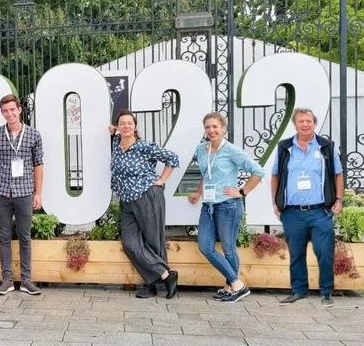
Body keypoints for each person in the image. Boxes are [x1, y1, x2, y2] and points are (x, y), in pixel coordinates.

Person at [188, 113, 265, 303]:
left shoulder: (231, 151)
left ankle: (233, 286)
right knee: (205, 246)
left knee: (228, 248)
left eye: (215, 126)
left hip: (228, 205)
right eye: (207, 127)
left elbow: (258, 171)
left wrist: (242, 191)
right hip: (209, 205)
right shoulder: (201, 149)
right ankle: (236, 285)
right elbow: (206, 174)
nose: (211, 130)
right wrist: (199, 192)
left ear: (223, 128)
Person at [271, 108, 343, 308]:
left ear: (314, 123)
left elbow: (338, 174)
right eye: (301, 121)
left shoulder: (326, 146)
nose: (305, 124)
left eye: (308, 121)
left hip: (320, 210)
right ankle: (299, 291)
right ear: (295, 124)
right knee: (296, 254)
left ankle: (326, 292)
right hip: (292, 212)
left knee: (324, 251)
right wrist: (275, 202)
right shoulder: (285, 147)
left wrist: (339, 199)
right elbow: (275, 175)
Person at [109, 110, 179, 299]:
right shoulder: (117, 143)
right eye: (122, 123)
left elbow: (173, 158)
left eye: (130, 123)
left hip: (147, 196)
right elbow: (114, 131)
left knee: (153, 240)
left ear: (136, 126)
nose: (126, 126)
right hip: (127, 200)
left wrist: (161, 180)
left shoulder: (144, 146)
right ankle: (166, 275)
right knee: (130, 243)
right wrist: (114, 130)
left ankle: (151, 284)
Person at [0, 94, 44, 296]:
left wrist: (38, 193)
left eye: (12, 109)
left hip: (24, 192)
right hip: (2, 192)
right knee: (3, 236)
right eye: (5, 110)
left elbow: (38, 165)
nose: (9, 113)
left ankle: (27, 279)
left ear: (19, 110)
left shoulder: (34, 135)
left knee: (25, 237)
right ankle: (7, 279)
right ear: (2, 112)